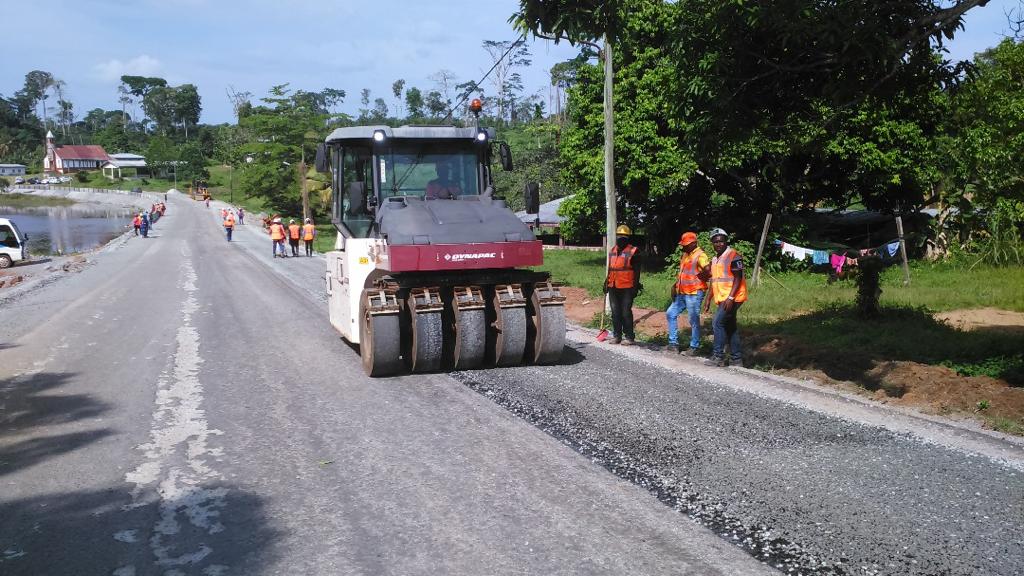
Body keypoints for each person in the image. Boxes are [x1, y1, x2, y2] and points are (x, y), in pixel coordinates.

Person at [703, 228, 747, 367]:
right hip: (722, 298)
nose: (718, 244)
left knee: (717, 322)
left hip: (733, 297)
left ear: (726, 241)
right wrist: (708, 299)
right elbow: (715, 281)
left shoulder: (734, 256)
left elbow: (738, 278)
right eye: (715, 242)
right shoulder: (715, 259)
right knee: (730, 327)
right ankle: (736, 358)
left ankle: (718, 356)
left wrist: (731, 297)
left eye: (721, 241)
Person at [665, 231, 710, 355]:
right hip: (682, 292)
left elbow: (709, 270)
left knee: (693, 320)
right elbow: (684, 273)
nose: (683, 247)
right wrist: (675, 285)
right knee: (670, 313)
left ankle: (694, 347)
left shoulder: (701, 255)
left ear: (694, 243)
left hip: (694, 293)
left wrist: (702, 277)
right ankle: (673, 344)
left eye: (686, 244)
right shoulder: (686, 254)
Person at [604, 224, 642, 345]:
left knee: (625, 312)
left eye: (624, 236)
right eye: (619, 236)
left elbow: (637, 271)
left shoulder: (634, 251)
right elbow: (611, 268)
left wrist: (635, 288)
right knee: (615, 312)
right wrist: (606, 283)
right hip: (613, 285)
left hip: (627, 287)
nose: (621, 238)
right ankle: (617, 336)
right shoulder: (612, 250)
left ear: (628, 238)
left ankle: (629, 337)